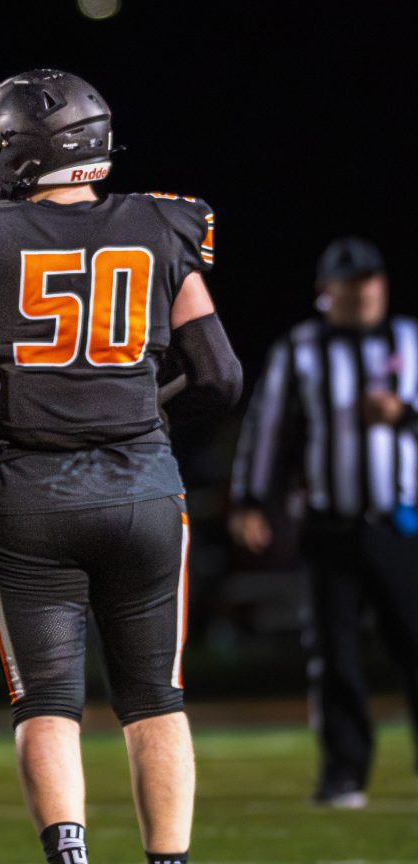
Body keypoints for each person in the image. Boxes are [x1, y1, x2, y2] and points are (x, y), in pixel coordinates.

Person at [0, 69, 241, 864]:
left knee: (48, 700)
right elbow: (220, 376)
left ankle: (69, 855)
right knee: (154, 698)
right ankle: (168, 860)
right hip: (141, 489)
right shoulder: (165, 224)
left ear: (26, 151)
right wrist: (134, 412)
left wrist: (33, 412)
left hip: (27, 496)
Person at [230, 236, 418, 809]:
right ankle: (344, 773)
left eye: (370, 280)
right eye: (350, 282)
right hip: (328, 524)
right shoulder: (301, 349)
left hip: (401, 524)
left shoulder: (411, 341)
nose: (363, 292)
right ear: (325, 293)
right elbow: (268, 430)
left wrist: (405, 414)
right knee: (334, 654)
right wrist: (248, 500)